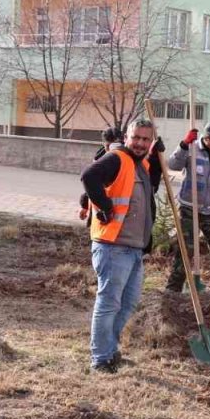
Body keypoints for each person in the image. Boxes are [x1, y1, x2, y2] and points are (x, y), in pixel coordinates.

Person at [79, 118, 164, 373]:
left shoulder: (142, 164)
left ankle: (109, 348)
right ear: (126, 137)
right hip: (113, 246)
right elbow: (89, 176)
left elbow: (154, 186)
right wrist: (104, 207)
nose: (140, 143)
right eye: (136, 137)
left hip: (134, 248)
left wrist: (158, 159)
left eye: (145, 139)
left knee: (128, 303)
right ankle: (100, 358)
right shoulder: (117, 158)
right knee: (109, 303)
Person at [165, 122, 210, 295]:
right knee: (185, 250)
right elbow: (173, 164)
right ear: (208, 139)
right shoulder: (191, 150)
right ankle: (173, 291)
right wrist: (183, 144)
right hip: (190, 209)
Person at [78, 126, 124, 221]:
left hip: (113, 215)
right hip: (99, 213)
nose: (110, 149)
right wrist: (85, 205)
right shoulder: (101, 157)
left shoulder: (121, 158)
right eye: (108, 146)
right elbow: (92, 184)